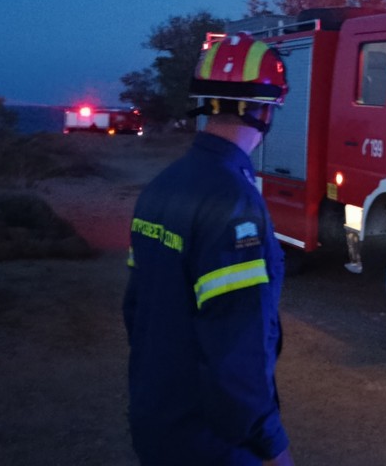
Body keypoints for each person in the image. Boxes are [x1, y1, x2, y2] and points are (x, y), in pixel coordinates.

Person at [123, 32, 295, 466]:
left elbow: (136, 311)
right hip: (212, 441)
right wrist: (271, 444)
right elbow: (237, 350)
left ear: (206, 104)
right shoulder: (234, 202)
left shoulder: (161, 186)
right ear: (265, 110)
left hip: (156, 418)